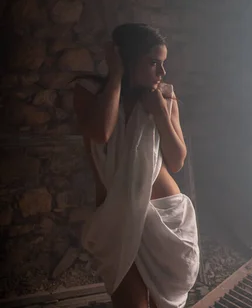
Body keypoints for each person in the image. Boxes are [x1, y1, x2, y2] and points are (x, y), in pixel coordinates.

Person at [73, 23, 199, 308]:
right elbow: (101, 132)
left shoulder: (164, 96)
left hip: (165, 220)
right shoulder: (89, 92)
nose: (162, 72)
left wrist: (159, 113)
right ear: (126, 58)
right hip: (117, 219)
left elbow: (177, 161)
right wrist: (116, 73)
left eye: (163, 63)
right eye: (153, 63)